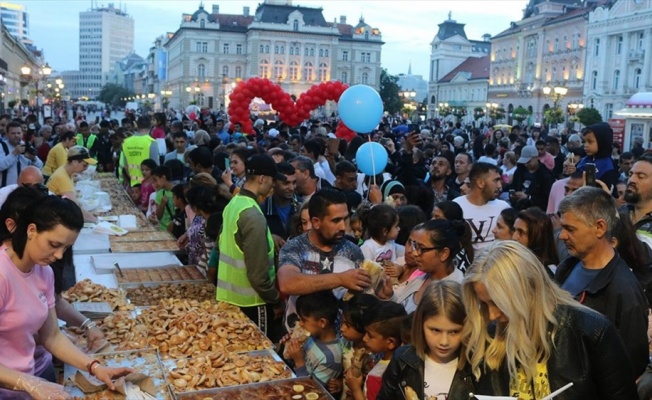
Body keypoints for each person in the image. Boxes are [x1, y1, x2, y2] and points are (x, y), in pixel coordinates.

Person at [464, 241, 638, 399]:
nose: (492, 315)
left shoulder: (592, 332)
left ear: (527, 290)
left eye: (498, 303)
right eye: (484, 304)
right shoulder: (489, 336)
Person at [0, 196, 132, 399]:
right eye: (54, 244)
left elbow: (51, 336)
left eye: (66, 248)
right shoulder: (3, 275)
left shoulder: (44, 272)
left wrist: (94, 367)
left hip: (38, 375)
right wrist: (29, 383)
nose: (59, 255)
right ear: (31, 230)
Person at [556, 186, 649, 377]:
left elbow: (630, 367)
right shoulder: (566, 268)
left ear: (599, 227)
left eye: (570, 229)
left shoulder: (624, 291)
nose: (561, 235)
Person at [216, 154, 286, 342]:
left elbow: (224, 243)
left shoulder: (234, 204)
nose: (273, 186)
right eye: (272, 181)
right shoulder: (253, 215)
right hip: (253, 305)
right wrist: (276, 300)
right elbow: (258, 275)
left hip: (228, 300)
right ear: (262, 179)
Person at [278, 189, 369, 332]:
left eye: (345, 219)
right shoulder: (295, 247)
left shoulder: (353, 252)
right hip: (296, 340)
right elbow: (287, 283)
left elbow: (362, 298)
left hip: (338, 345)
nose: (343, 227)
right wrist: (340, 279)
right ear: (316, 222)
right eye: (336, 221)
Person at [378, 281, 473, 400]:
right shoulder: (403, 359)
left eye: (454, 332)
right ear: (420, 324)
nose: (444, 341)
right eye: (435, 330)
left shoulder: (476, 366)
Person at [393, 219, 468, 313]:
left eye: (422, 249)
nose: (415, 253)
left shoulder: (454, 293)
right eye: (415, 246)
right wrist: (389, 296)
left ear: (444, 253)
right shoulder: (422, 275)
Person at [345, 301, 407, 400]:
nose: (364, 338)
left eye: (370, 335)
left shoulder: (377, 377)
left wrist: (356, 390)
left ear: (390, 342)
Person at [284, 290, 343, 394]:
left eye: (304, 320)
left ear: (322, 322)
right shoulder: (312, 336)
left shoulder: (331, 357)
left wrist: (299, 362)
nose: (300, 324)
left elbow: (310, 391)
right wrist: (290, 348)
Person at [454, 162, 510, 250]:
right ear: (480, 183)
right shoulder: (456, 206)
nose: (499, 186)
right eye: (496, 180)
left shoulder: (503, 207)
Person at [337, 294, 379, 400]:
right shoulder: (346, 342)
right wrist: (339, 383)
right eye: (342, 322)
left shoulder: (373, 356)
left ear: (364, 327)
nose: (342, 328)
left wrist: (357, 390)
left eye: (348, 325)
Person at [46, 146, 98, 223]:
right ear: (74, 162)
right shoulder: (62, 177)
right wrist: (96, 220)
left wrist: (89, 215)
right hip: (52, 218)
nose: (86, 168)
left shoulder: (67, 172)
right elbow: (74, 208)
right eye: (84, 165)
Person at [513, 207, 559, 277]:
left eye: (521, 232)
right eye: (514, 230)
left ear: (537, 237)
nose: (514, 237)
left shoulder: (548, 274)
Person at [260, 161, 299, 241]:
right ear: (273, 183)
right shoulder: (262, 210)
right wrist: (269, 237)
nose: (291, 188)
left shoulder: (302, 207)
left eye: (294, 182)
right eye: (286, 183)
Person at [576, 122, 619, 192]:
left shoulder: (609, 166)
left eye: (590, 142)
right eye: (584, 141)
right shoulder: (584, 160)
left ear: (602, 142)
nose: (585, 145)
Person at [509, 145, 554, 210]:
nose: (526, 164)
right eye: (524, 162)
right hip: (518, 207)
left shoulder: (545, 175)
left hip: (536, 211)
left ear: (536, 157)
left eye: (528, 162)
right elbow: (513, 186)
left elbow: (547, 198)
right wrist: (513, 195)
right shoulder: (520, 170)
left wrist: (529, 197)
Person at [0, 121, 43, 188]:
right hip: (6, 188)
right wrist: (14, 154)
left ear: (22, 134)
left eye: (19, 133)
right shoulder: (2, 146)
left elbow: (40, 166)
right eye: (13, 133)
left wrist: (33, 159)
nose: (16, 135)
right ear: (7, 134)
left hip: (24, 189)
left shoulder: (26, 145)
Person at [622, 154, 652, 248]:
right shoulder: (619, 213)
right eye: (630, 174)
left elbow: (644, 260)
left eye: (640, 176)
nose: (631, 180)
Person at [121, 115, 159, 187]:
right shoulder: (152, 142)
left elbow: (125, 166)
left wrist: (133, 179)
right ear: (150, 126)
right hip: (148, 185)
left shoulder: (126, 142)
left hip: (133, 185)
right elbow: (156, 167)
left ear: (137, 125)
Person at [151, 166, 175, 231]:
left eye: (155, 180)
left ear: (163, 178)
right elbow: (158, 217)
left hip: (176, 230)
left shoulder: (178, 192)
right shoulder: (160, 194)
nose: (155, 183)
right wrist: (162, 204)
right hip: (163, 229)